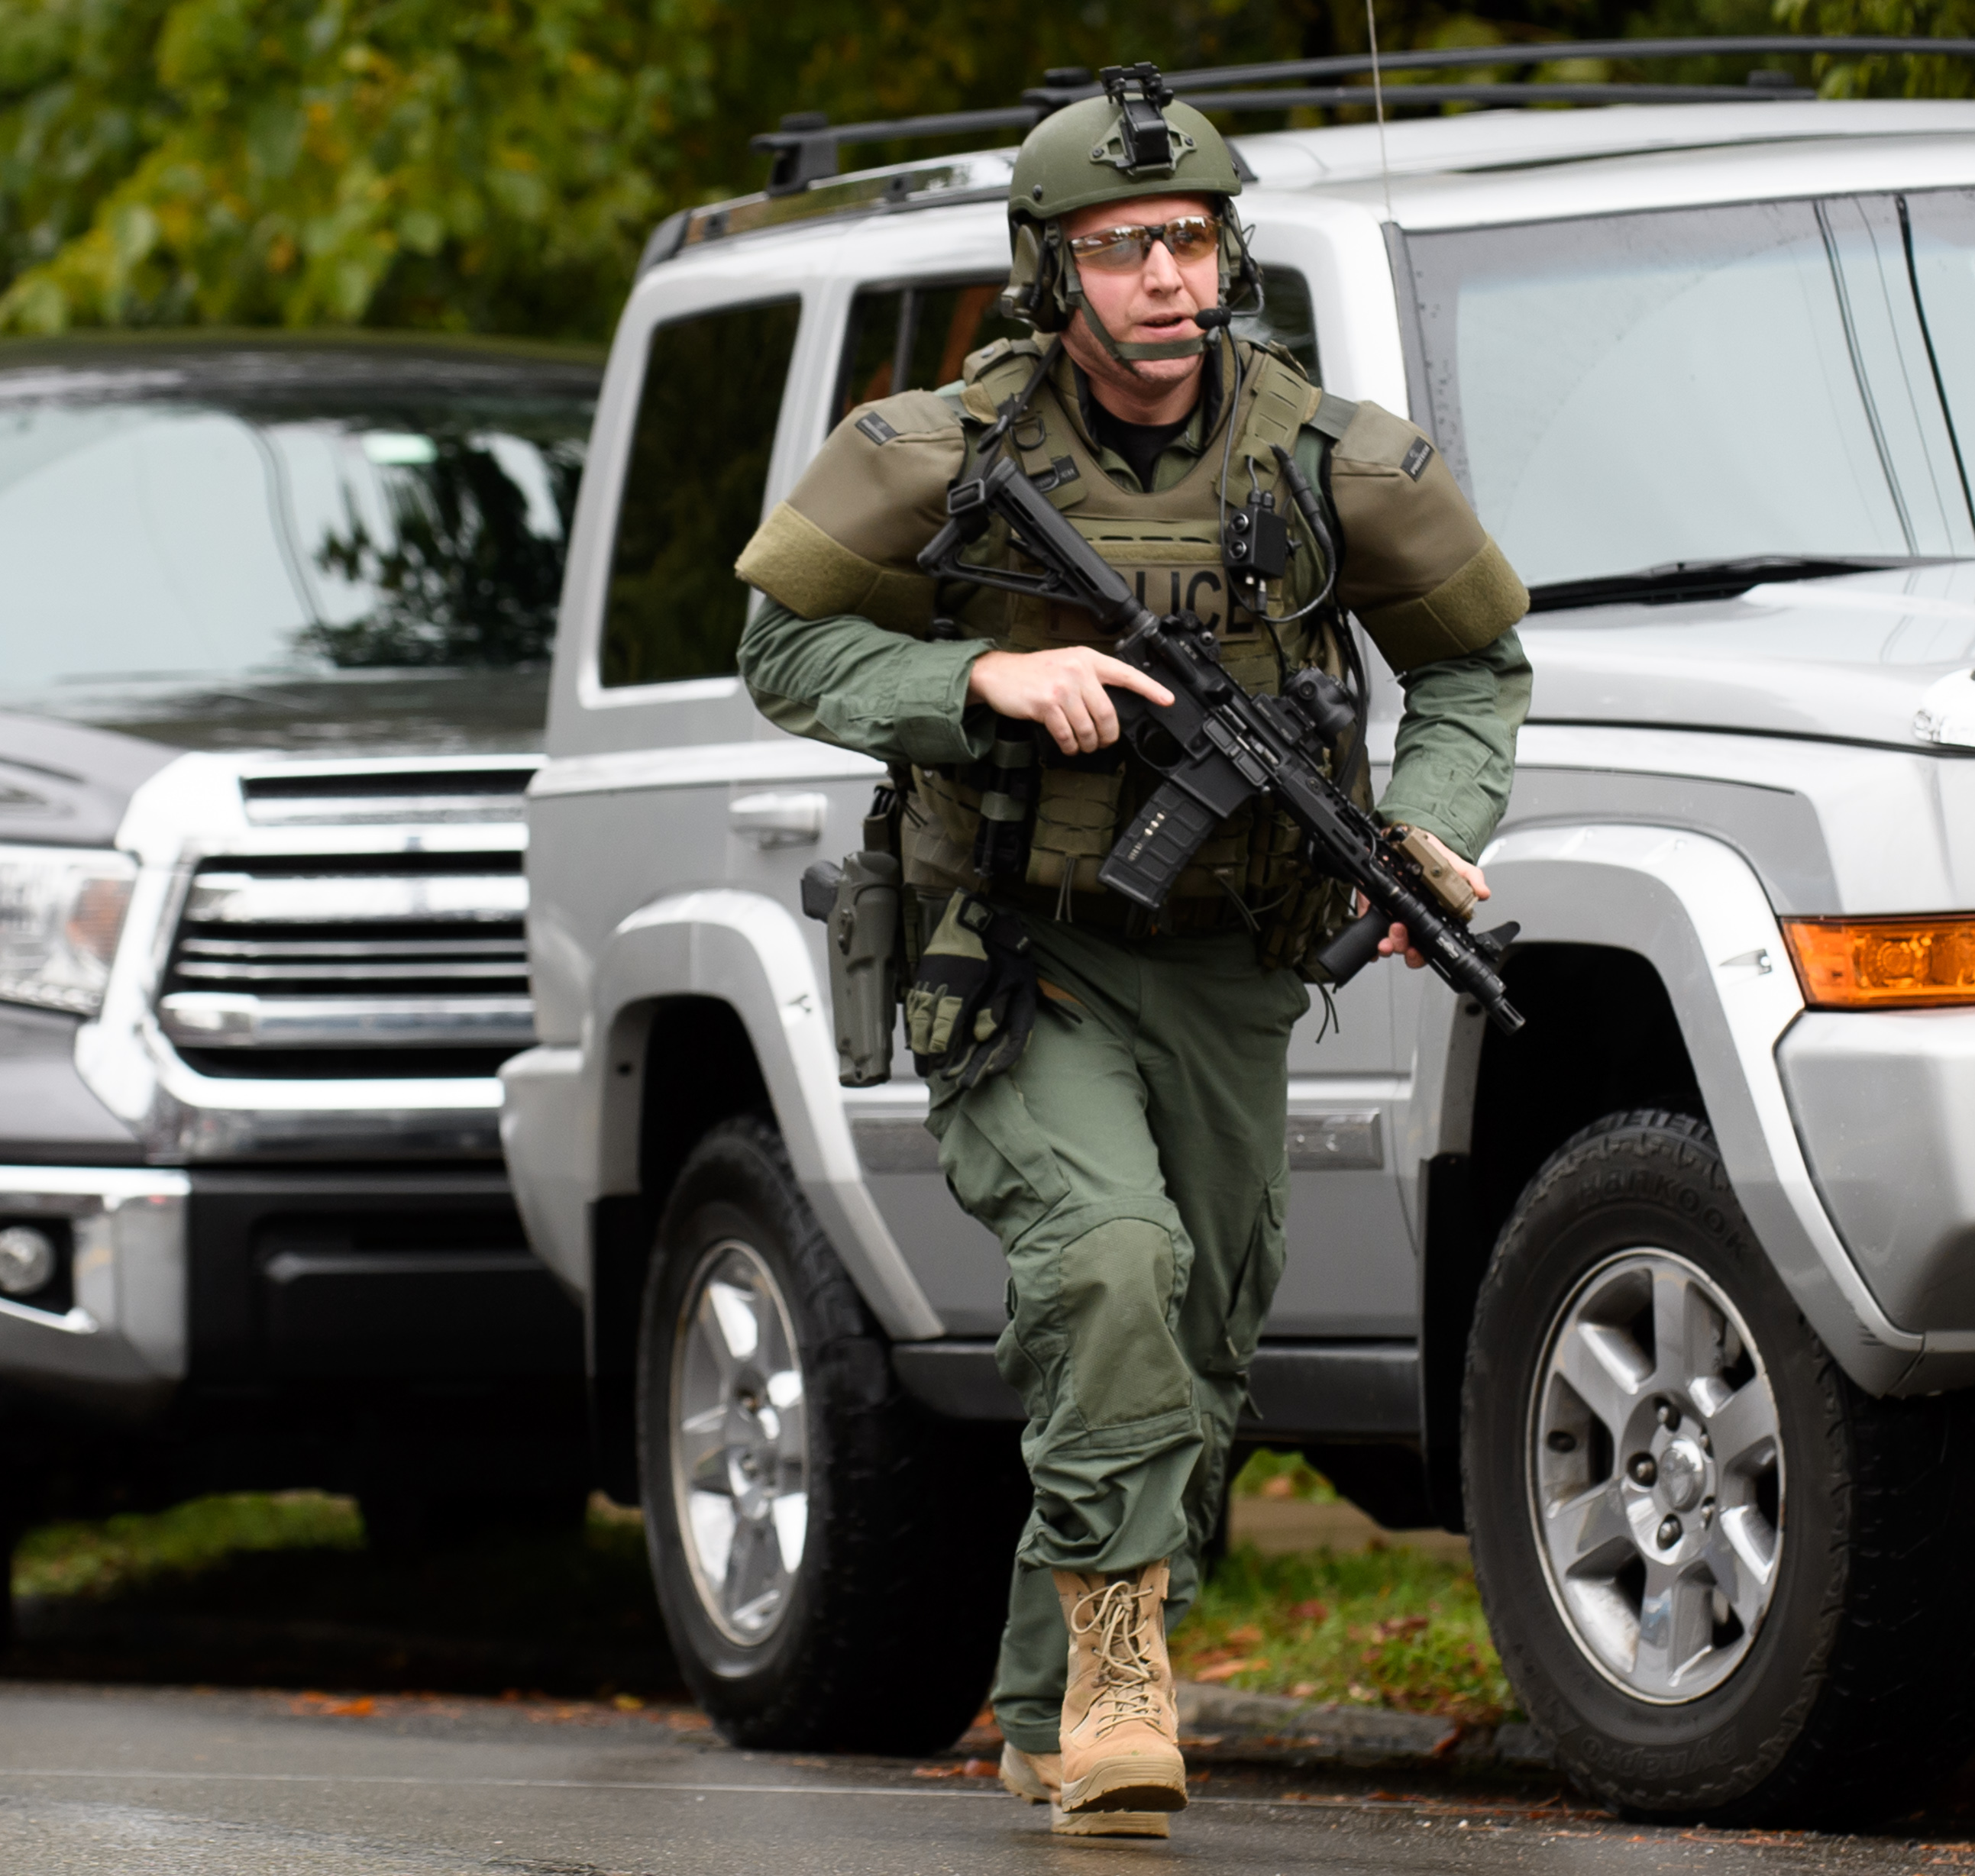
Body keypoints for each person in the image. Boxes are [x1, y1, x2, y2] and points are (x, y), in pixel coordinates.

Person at [732, 70, 1529, 1836]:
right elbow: (783, 648)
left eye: (1193, 238)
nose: (1169, 276)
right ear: (1050, 268)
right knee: (1107, 1264)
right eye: (1123, 247)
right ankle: (1112, 1675)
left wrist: (1421, 822)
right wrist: (973, 682)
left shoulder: (1333, 457)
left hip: (1239, 958)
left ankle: (1040, 1698)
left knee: (1202, 1327)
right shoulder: (937, 449)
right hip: (1016, 950)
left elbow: (1476, 667)